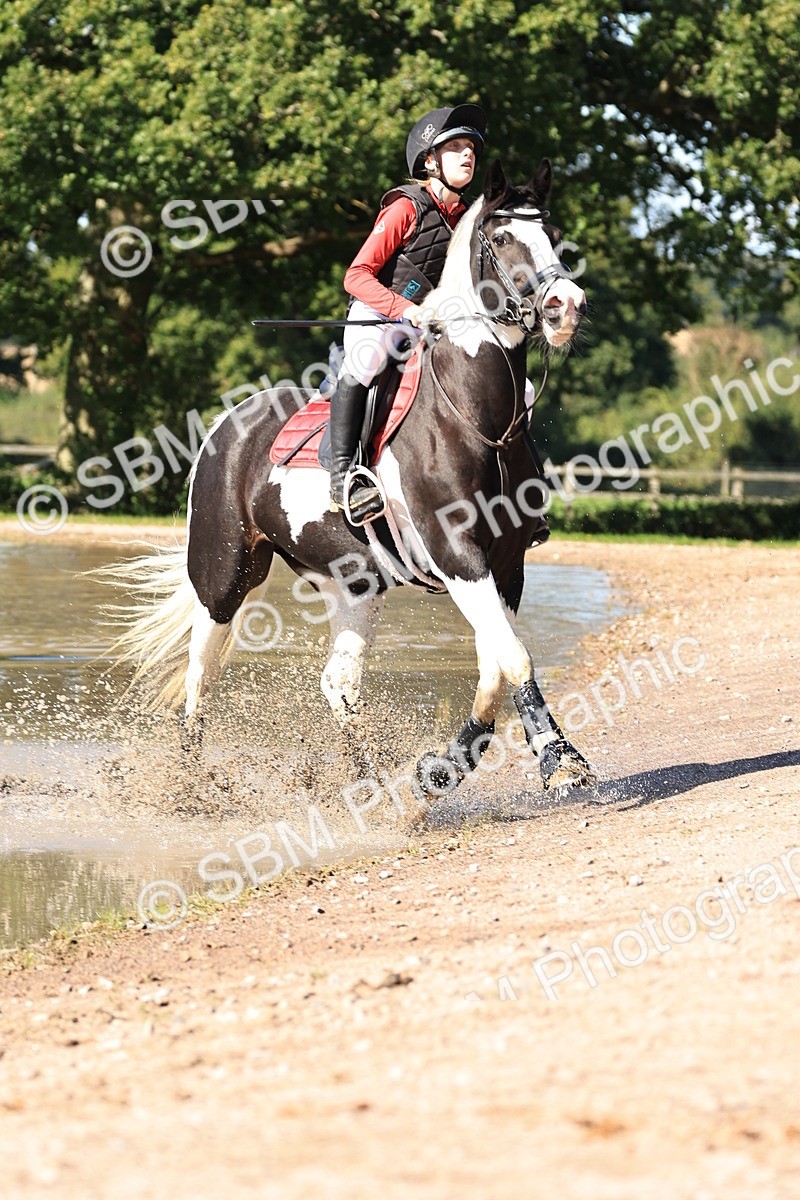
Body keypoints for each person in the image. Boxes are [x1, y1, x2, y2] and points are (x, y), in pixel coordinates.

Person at [328, 103, 487, 520]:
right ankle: (344, 475)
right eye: (456, 147)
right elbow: (356, 275)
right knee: (365, 362)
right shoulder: (406, 207)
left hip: (425, 326)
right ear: (431, 161)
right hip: (377, 314)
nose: (468, 154)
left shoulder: (467, 221)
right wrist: (403, 308)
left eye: (471, 147)